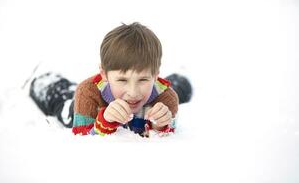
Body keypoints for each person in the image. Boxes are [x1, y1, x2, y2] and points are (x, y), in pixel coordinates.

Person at [29, 22, 192, 137]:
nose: (133, 92)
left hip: (154, 93)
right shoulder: (88, 94)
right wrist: (105, 121)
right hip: (87, 107)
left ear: (156, 74)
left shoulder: (166, 97)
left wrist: (160, 126)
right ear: (104, 74)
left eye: (143, 79)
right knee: (63, 104)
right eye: (122, 80)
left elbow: (168, 138)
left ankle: (179, 78)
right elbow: (81, 140)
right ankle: (47, 81)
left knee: (179, 88)